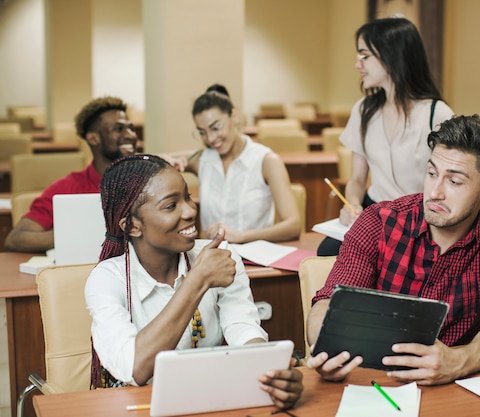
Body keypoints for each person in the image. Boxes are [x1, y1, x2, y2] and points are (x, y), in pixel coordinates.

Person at [307, 115, 480, 386]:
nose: (435, 192)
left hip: (453, 387)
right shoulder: (378, 222)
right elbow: (328, 302)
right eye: (431, 173)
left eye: (454, 182)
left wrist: (460, 362)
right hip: (375, 383)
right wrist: (327, 345)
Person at [85, 154, 302, 409]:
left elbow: (244, 329)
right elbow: (136, 369)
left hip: (203, 400)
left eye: (187, 197)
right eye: (171, 206)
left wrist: (269, 371)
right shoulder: (107, 279)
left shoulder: (219, 256)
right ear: (132, 226)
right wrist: (197, 280)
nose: (190, 211)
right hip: (135, 407)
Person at [317, 16, 454, 256]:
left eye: (365, 56)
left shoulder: (437, 114)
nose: (357, 64)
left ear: (392, 56)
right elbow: (358, 179)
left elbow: (449, 183)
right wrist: (353, 205)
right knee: (327, 251)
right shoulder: (364, 109)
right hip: (376, 211)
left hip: (421, 218)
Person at [3, 96, 186, 253]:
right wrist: (78, 237)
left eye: (131, 128)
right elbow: (15, 239)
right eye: (118, 129)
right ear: (93, 138)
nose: (130, 135)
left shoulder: (151, 180)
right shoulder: (67, 188)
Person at [185, 86, 300, 243]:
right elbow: (160, 159)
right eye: (202, 132)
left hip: (255, 258)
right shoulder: (203, 160)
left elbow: (293, 226)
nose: (211, 139)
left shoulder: (266, 161)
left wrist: (241, 236)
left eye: (216, 127)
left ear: (234, 116)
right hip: (212, 258)